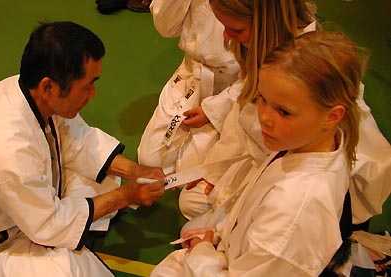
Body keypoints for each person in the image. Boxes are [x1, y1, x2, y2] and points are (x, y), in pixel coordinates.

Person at [0, 21, 166, 276]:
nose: (94, 93)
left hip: (20, 204)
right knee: (68, 270)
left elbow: (76, 139)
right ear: (48, 87)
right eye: (87, 85)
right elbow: (49, 223)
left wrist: (135, 171)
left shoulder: (24, 88)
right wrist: (128, 196)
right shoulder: (6, 151)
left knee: (105, 177)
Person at [151, 30, 363, 276]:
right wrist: (215, 237)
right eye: (262, 99)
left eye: (283, 112)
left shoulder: (296, 206)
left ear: (332, 116)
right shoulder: (310, 142)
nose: (264, 118)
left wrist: (201, 252)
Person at [179, 0, 391, 228]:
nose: (227, 36)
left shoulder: (304, 75)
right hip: (274, 160)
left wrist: (230, 189)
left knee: (201, 216)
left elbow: (254, 259)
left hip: (295, 178)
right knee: (193, 198)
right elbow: (246, 105)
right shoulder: (276, 56)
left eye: (237, 29)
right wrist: (218, 168)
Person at [137, 0, 240, 174]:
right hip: (193, 72)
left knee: (189, 174)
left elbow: (267, 71)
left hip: (236, 85)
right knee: (150, 162)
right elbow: (166, 27)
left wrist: (213, 110)